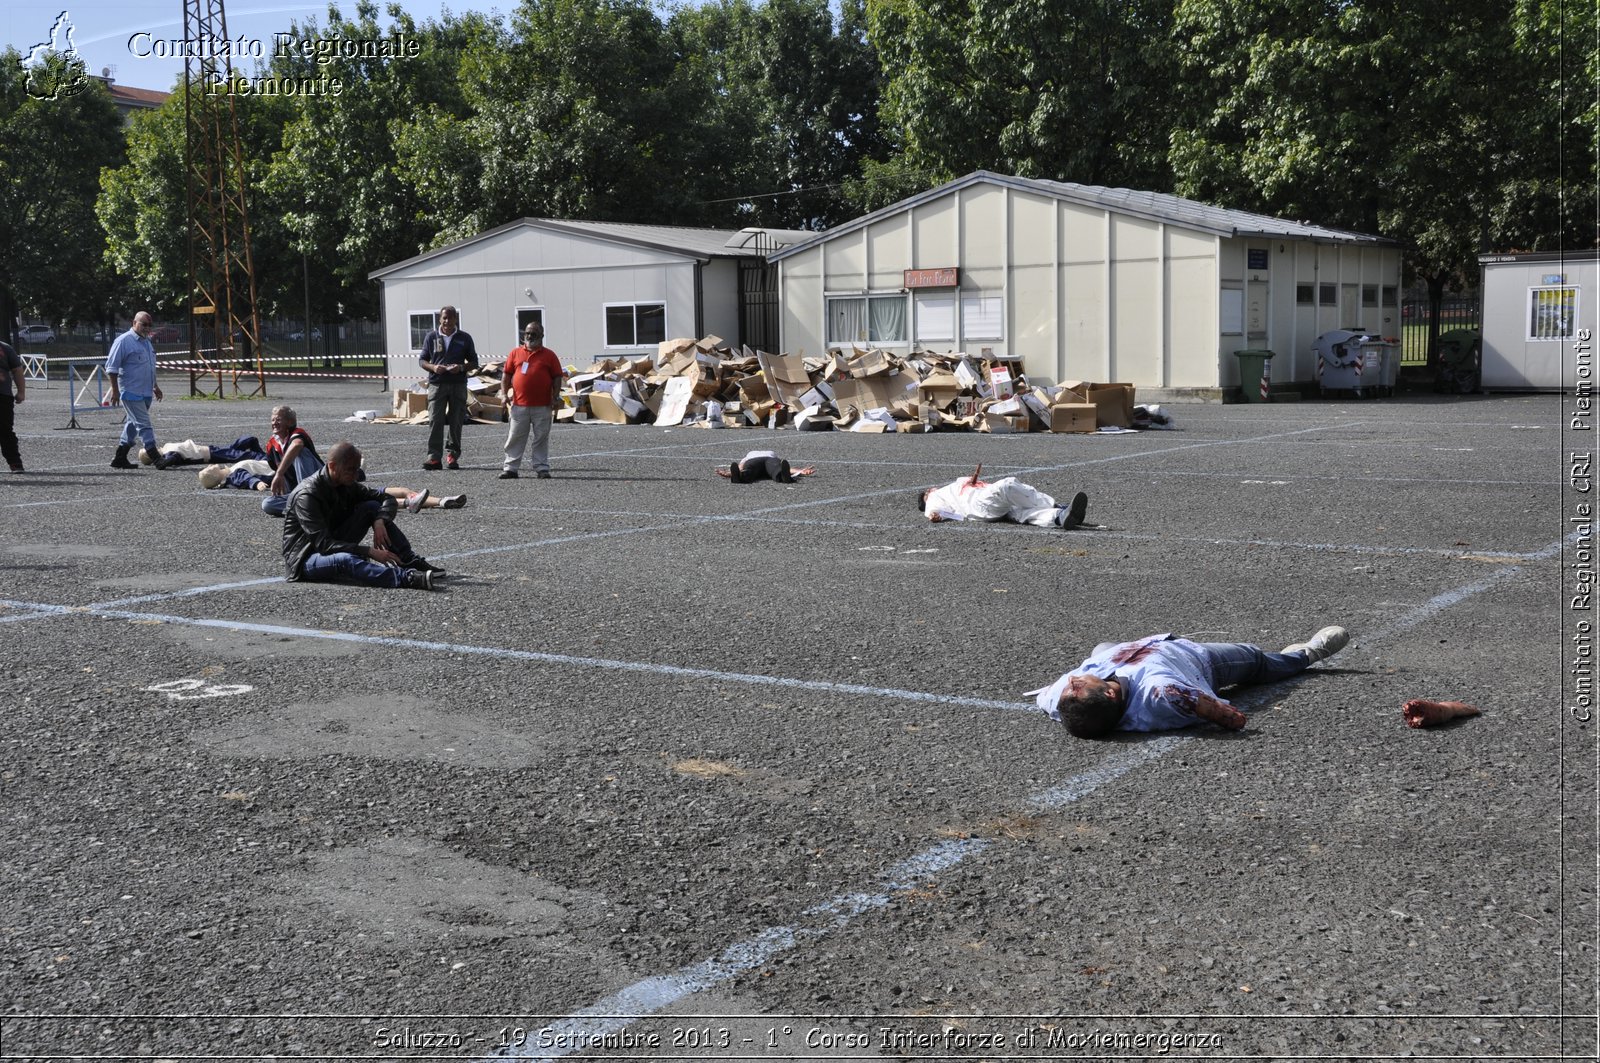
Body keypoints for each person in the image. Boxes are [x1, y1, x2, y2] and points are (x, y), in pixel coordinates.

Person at [1030, 627, 1350, 738]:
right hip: (1197, 661)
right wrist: (1214, 710)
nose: (1072, 679)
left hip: (1126, 653)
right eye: (1079, 685)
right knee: (1255, 660)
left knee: (1101, 648)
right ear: (1111, 694)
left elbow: (1045, 698)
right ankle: (1306, 655)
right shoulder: (1159, 694)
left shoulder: (1063, 701)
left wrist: (1068, 695)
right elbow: (1233, 720)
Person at [281, 441, 443, 591]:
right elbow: (323, 544)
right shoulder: (308, 495)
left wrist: (380, 520)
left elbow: (386, 498)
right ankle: (406, 578)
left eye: (358, 469)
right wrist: (369, 551)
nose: (356, 474)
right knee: (344, 559)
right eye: (351, 469)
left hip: (331, 541)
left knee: (371, 507)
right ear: (332, 466)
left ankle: (407, 559)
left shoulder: (346, 483)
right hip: (305, 558)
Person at [261, 405, 464, 517]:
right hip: (307, 495)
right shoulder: (271, 446)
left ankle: (442, 500)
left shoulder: (298, 435)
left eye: (278, 419)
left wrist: (279, 475)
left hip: (319, 486)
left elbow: (296, 447)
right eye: (272, 419)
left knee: (374, 496)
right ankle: (442, 501)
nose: (274, 422)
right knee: (268, 504)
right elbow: (278, 474)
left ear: (290, 422)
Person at [105, 311, 177, 470]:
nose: (147, 328)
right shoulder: (123, 341)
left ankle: (120, 457)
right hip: (130, 392)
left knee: (132, 424)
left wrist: (155, 386)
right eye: (144, 324)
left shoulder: (147, 342)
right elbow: (111, 368)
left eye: (149, 325)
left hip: (145, 392)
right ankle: (157, 458)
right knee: (144, 424)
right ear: (134, 323)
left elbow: (149, 367)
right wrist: (115, 391)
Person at [499, 321, 565, 479]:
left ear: (542, 335)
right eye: (527, 333)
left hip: (542, 406)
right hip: (519, 405)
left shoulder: (550, 355)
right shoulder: (515, 353)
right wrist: (503, 394)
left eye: (534, 333)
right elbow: (506, 375)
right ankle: (510, 468)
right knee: (515, 436)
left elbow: (557, 377)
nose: (529, 336)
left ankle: (542, 468)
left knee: (541, 437)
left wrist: (555, 397)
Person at [918, 470, 1088, 529]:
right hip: (978, 505)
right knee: (1007, 485)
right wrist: (934, 515)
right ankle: (1056, 505)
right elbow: (933, 510)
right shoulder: (934, 496)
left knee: (1023, 513)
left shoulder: (956, 484)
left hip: (988, 504)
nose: (931, 488)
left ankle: (1060, 516)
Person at [419, 305, 478, 470]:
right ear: (440, 319)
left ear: (455, 319)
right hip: (437, 384)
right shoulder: (431, 337)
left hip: (458, 385)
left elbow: (474, 362)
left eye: (450, 318)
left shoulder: (464, 338)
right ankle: (434, 458)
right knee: (435, 420)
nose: (447, 321)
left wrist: (460, 368)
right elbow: (422, 360)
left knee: (456, 421)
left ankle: (452, 455)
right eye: (444, 318)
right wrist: (433, 368)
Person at [140, 435, 267, 466]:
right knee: (245, 455)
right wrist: (165, 462)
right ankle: (271, 460)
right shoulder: (169, 453)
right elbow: (173, 458)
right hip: (211, 455)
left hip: (210, 449)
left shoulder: (167, 447)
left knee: (249, 439)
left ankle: (265, 457)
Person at [715, 450, 815, 483]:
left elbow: (741, 466)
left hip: (754, 460)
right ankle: (783, 477)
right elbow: (781, 465)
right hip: (770, 459)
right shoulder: (772, 454)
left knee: (748, 470)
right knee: (777, 469)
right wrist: (799, 471)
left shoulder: (749, 455)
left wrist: (730, 473)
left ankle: (740, 477)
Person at [0, 335, 24, 472]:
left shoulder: (5, 348)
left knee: (5, 431)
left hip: (3, 396)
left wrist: (21, 392)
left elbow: (17, 370)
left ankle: (15, 463)